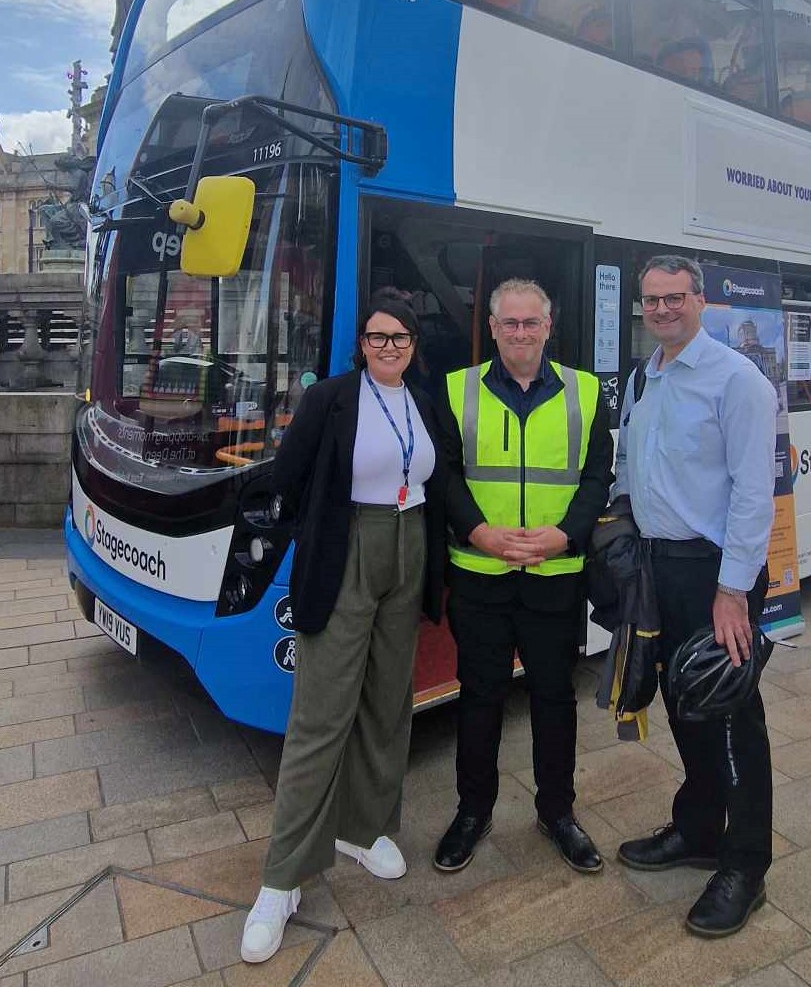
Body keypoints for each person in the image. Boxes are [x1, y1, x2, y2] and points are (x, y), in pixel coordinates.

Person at [240, 292, 447, 964]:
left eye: (401, 337)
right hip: (348, 549)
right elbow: (290, 480)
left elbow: (440, 479)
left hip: (409, 545)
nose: (389, 347)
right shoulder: (330, 398)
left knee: (389, 700)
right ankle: (282, 877)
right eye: (377, 337)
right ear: (361, 343)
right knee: (320, 714)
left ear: (414, 344)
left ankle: (365, 826)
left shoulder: (426, 399)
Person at [612, 255, 777, 938]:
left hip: (716, 575)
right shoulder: (641, 377)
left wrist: (732, 590)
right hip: (657, 570)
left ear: (701, 301)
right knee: (682, 705)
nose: (660, 310)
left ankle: (745, 865)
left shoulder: (737, 380)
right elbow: (631, 468)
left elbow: (752, 493)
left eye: (673, 297)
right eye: (649, 301)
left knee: (730, 714)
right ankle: (697, 829)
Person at [434, 278, 613, 876]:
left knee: (555, 698)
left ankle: (558, 813)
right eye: (508, 324)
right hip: (481, 575)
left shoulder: (586, 392)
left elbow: (597, 477)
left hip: (555, 575)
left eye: (530, 323)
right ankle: (472, 811)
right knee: (479, 698)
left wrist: (567, 533)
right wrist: (478, 532)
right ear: (491, 328)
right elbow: (446, 475)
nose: (519, 333)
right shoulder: (456, 389)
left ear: (548, 325)